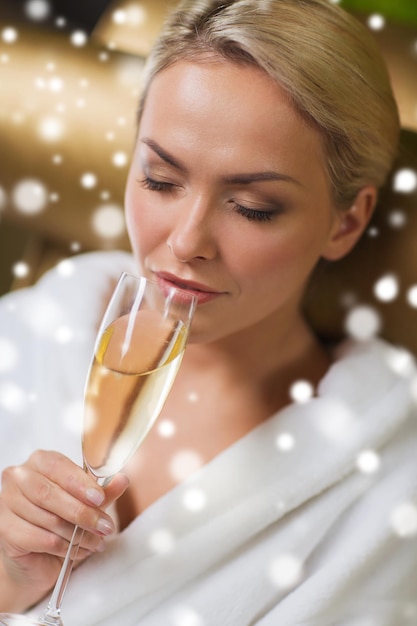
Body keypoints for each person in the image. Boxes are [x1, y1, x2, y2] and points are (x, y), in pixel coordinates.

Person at [0, 0, 416, 624]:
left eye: (252, 207)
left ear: (347, 221)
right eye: (161, 180)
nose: (187, 239)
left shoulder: (390, 484)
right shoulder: (33, 335)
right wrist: (9, 577)